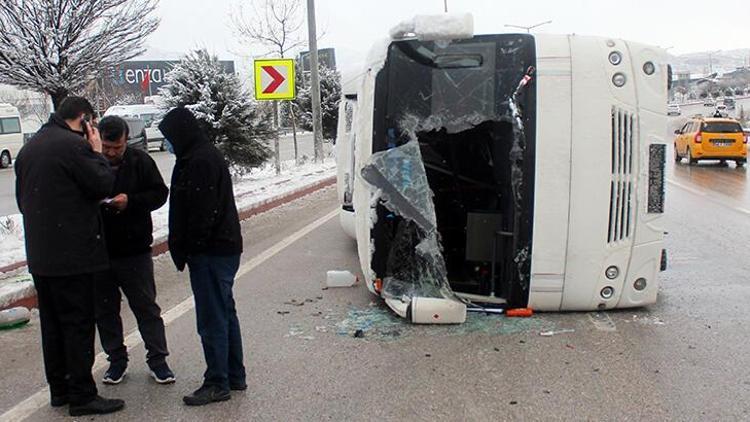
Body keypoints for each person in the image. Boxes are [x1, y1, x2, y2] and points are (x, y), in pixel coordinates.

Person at [14, 97, 124, 416]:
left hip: (41, 255)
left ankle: (60, 389)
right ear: (84, 120)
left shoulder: (31, 148)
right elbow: (103, 183)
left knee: (52, 325)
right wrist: (98, 153)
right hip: (74, 255)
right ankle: (82, 395)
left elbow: (24, 201)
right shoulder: (73, 147)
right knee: (77, 324)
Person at [158, 107, 246, 406]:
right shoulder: (197, 155)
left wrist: (190, 248)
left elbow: (201, 213)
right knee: (224, 313)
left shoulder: (200, 160)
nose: (167, 143)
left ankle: (217, 382)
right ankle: (234, 375)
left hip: (211, 251)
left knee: (212, 319)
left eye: (169, 137)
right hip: (220, 248)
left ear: (181, 133)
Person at [94, 116, 174, 386]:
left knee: (146, 307)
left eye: (117, 147)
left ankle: (158, 359)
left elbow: (159, 194)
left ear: (127, 141)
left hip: (135, 249)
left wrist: (132, 201)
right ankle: (116, 360)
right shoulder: (90, 163)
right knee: (105, 311)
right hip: (100, 251)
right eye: (106, 147)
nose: (111, 152)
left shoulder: (141, 162)